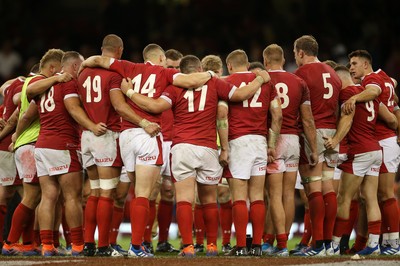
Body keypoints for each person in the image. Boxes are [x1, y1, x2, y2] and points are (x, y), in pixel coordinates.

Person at [119, 54, 271, 257]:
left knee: (184, 199)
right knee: (209, 199)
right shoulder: (215, 82)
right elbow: (241, 94)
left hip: (182, 148)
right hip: (208, 148)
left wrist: (129, 92)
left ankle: (189, 247)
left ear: (181, 72)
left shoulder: (174, 88)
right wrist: (260, 78)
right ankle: (212, 246)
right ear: (200, 68)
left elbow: (155, 106)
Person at [80, 43, 220, 258]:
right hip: (148, 133)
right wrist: (210, 72)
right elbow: (192, 80)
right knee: (145, 194)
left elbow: (98, 60)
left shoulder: (128, 67)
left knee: (137, 193)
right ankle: (137, 246)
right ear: (162, 58)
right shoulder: (164, 72)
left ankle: (138, 244)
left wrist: (83, 65)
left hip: (126, 136)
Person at [77, 34, 159, 257]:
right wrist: (143, 121)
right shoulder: (112, 74)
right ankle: (103, 246)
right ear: (119, 50)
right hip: (106, 133)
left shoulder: (83, 73)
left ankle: (89, 244)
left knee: (94, 192)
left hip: (87, 135)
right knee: (107, 193)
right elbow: (119, 106)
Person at [24, 51, 108, 256]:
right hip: (63, 144)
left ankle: (46, 246)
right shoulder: (69, 83)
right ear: (74, 67)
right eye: (80, 67)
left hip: (42, 145)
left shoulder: (46, 86)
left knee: (48, 196)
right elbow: (72, 108)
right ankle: (78, 245)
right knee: (72, 197)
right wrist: (92, 125)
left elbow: (28, 102)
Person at [325, 65, 397, 256]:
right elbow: (390, 119)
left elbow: (347, 120)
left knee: (344, 198)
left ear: (339, 81)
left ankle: (334, 244)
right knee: (370, 197)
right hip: (376, 150)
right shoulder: (369, 93)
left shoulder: (346, 95)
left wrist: (335, 140)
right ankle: (373, 244)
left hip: (359, 152)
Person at [216, 49, 281, 257]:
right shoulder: (265, 81)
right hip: (260, 141)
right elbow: (277, 115)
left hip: (238, 142)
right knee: (257, 197)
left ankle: (242, 245)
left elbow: (222, 113)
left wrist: (224, 147)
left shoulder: (227, 81)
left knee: (239, 198)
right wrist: (271, 145)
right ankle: (258, 246)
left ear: (231, 66)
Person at [2, 49, 64, 256]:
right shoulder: (38, 84)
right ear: (53, 68)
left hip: (25, 144)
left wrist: (13, 137)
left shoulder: (27, 82)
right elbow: (27, 107)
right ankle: (11, 242)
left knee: (33, 197)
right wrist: (58, 79)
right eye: (59, 70)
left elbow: (18, 113)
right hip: (31, 144)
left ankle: (28, 243)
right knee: (31, 197)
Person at [263, 44, 318, 256]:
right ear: (284, 61)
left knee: (273, 196)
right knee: (288, 194)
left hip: (274, 140)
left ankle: (280, 244)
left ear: (266, 61)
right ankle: (281, 242)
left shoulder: (263, 80)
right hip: (294, 140)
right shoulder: (298, 81)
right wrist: (313, 149)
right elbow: (307, 118)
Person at [343, 50, 400, 255]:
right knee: (372, 196)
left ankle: (393, 242)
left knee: (385, 194)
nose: (351, 68)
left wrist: (355, 97)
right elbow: (396, 107)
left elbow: (377, 96)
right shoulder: (387, 79)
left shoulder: (372, 80)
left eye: (354, 63)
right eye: (350, 64)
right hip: (383, 142)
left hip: (383, 140)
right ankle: (376, 240)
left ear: (366, 65)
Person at [292, 35, 341, 256]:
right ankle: (330, 245)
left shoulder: (301, 74)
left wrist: (311, 145)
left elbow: (305, 115)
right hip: (332, 133)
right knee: (328, 188)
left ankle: (318, 244)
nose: (295, 57)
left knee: (313, 189)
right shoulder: (334, 74)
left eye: (295, 53)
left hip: (314, 132)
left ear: (301, 52)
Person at [201, 54, 233, 254]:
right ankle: (223, 241)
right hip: (221, 144)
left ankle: (201, 241)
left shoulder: (200, 85)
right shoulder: (223, 87)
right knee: (222, 194)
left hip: (208, 144)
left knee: (203, 196)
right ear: (221, 70)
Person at [155, 48, 183, 253]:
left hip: (175, 143)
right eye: (170, 67)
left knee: (168, 191)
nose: (173, 71)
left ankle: (163, 241)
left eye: (177, 68)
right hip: (155, 139)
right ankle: (144, 240)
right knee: (149, 192)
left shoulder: (184, 86)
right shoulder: (154, 84)